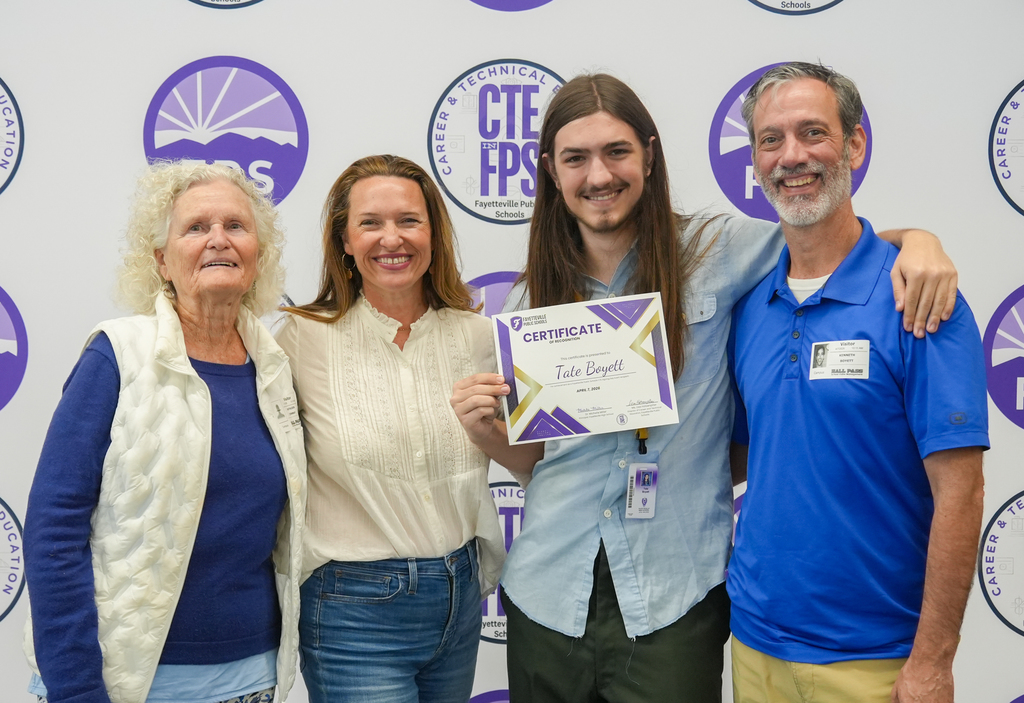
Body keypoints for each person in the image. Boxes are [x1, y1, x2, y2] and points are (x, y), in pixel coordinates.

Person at [450, 73, 960, 703]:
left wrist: (920, 242)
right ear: (552, 172)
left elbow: (826, 237)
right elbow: (542, 466)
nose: (598, 176)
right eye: (575, 158)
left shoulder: (718, 248)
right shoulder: (530, 301)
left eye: (617, 152)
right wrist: (488, 434)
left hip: (675, 594)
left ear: (649, 155)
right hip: (549, 590)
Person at [727, 62, 987, 703]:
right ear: (756, 161)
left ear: (854, 144)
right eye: (770, 140)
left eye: (812, 132)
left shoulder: (921, 300)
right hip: (754, 644)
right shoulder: (748, 304)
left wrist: (933, 662)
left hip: (876, 662)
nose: (791, 157)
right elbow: (740, 456)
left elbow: (961, 494)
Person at [22, 161, 306, 703]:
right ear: (161, 260)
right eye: (196, 228)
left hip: (252, 680)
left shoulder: (275, 367)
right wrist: (77, 688)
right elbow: (53, 531)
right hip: (122, 682)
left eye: (235, 227)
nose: (217, 240)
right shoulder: (117, 354)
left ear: (258, 255)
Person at [275, 154, 505, 703]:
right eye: (370, 223)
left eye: (409, 220)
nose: (391, 238)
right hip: (353, 611)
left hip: (460, 596)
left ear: (434, 233)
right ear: (345, 241)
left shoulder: (482, 337)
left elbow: (529, 457)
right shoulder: (299, 341)